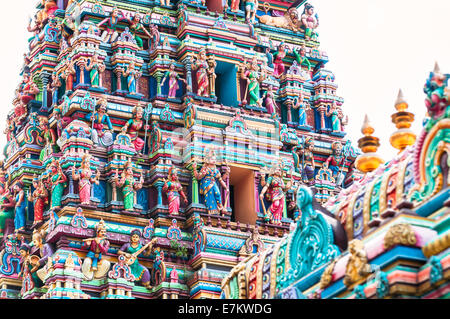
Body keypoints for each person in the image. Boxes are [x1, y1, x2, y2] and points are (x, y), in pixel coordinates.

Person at [192, 149, 229, 215]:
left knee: (217, 193)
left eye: (215, 159)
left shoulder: (216, 170)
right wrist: (201, 173)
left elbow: (221, 180)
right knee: (210, 194)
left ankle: (220, 206)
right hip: (206, 183)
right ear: (208, 160)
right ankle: (211, 210)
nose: (214, 160)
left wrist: (226, 187)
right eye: (212, 159)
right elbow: (198, 177)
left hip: (213, 183)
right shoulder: (205, 168)